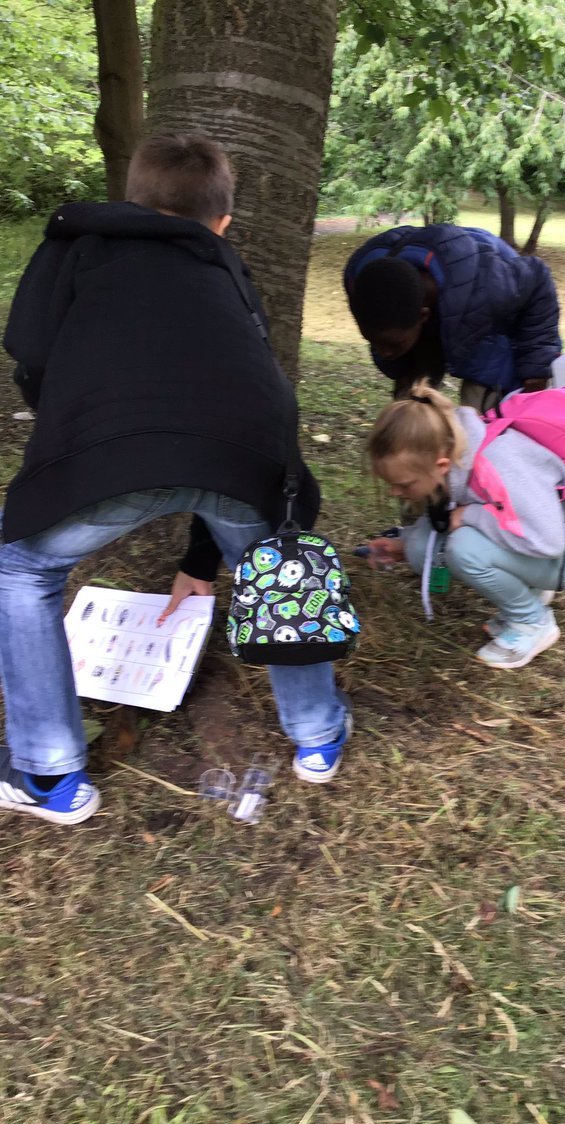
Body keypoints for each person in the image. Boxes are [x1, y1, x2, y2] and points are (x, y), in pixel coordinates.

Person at [0, 132, 350, 826]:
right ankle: (318, 737)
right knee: (278, 564)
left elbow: (30, 350)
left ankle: (50, 776)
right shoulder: (223, 263)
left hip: (113, 442)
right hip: (246, 453)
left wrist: (74, 427)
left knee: (19, 569)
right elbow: (242, 380)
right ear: (221, 219)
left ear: (133, 200)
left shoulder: (76, 245)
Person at [364, 380, 565, 669]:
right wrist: (404, 544)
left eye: (403, 484)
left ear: (442, 466)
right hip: (541, 545)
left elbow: (547, 540)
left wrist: (470, 515)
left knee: (464, 548)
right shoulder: (451, 455)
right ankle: (528, 590)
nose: (395, 492)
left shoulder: (500, 464)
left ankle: (532, 622)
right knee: (421, 548)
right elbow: (443, 519)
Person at [343, 224, 563, 411]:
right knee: (408, 414)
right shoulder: (365, 284)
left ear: (423, 316)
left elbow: (538, 278)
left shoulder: (491, 287)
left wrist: (536, 366)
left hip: (488, 320)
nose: (383, 353)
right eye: (372, 341)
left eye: (392, 343)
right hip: (439, 314)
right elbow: (391, 337)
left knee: (481, 418)